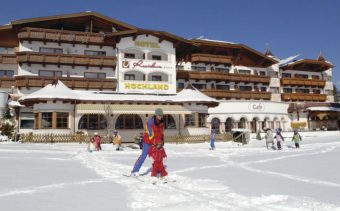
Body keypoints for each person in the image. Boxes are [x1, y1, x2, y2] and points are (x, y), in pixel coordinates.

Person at [131, 108, 164, 176]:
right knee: (143, 156)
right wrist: (155, 143)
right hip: (147, 142)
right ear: (156, 115)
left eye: (161, 115)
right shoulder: (150, 122)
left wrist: (161, 141)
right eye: (159, 115)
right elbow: (150, 135)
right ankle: (135, 171)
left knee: (158, 156)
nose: (160, 116)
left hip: (155, 142)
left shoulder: (161, 123)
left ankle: (157, 170)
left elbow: (161, 133)